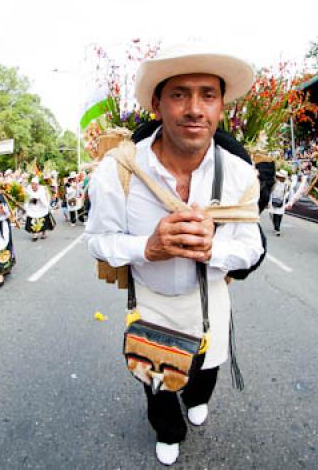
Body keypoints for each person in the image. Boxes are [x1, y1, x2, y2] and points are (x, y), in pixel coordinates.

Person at [85, 43, 263, 466]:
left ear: (221, 107)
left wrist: (211, 248)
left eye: (207, 95)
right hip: (150, 300)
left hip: (211, 299)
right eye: (179, 94)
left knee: (207, 366)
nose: (194, 108)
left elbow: (251, 248)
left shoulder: (238, 173)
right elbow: (98, 240)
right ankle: (168, 429)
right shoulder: (120, 170)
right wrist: (147, 247)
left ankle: (198, 397)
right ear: (156, 104)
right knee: (156, 379)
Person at [23, 176, 52, 240]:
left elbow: (45, 199)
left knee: (43, 220)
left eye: (35, 184)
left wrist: (39, 199)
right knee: (32, 221)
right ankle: (34, 234)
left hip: (41, 207)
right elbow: (26, 199)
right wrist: (30, 200)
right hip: (32, 208)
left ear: (38, 185)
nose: (34, 186)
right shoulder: (28, 189)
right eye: (32, 184)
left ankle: (44, 233)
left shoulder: (42, 189)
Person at [267, 169, 292, 236]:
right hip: (272, 201)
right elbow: (270, 192)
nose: (280, 178)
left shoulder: (287, 185)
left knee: (279, 216)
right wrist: (269, 201)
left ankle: (277, 229)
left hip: (281, 202)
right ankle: (276, 227)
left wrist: (289, 202)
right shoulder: (274, 183)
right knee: (272, 215)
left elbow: (290, 194)